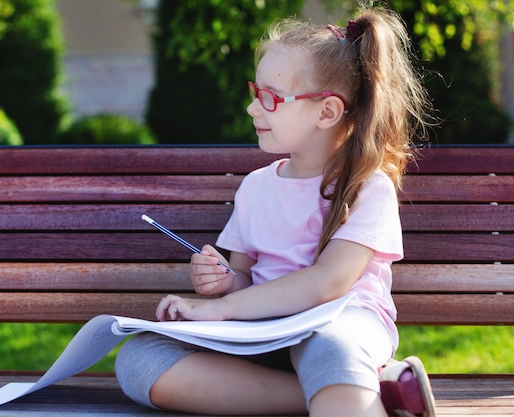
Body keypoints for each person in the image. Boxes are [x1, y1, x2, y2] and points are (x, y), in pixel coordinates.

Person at [116, 4, 437, 417]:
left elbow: (327, 284)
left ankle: (342, 388)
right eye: (255, 93)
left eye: (269, 98)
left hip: (336, 324)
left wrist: (221, 308)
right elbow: (243, 278)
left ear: (327, 112)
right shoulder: (256, 187)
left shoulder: (367, 187)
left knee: (331, 349)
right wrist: (220, 283)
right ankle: (370, 392)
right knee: (141, 359)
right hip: (266, 333)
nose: (253, 109)